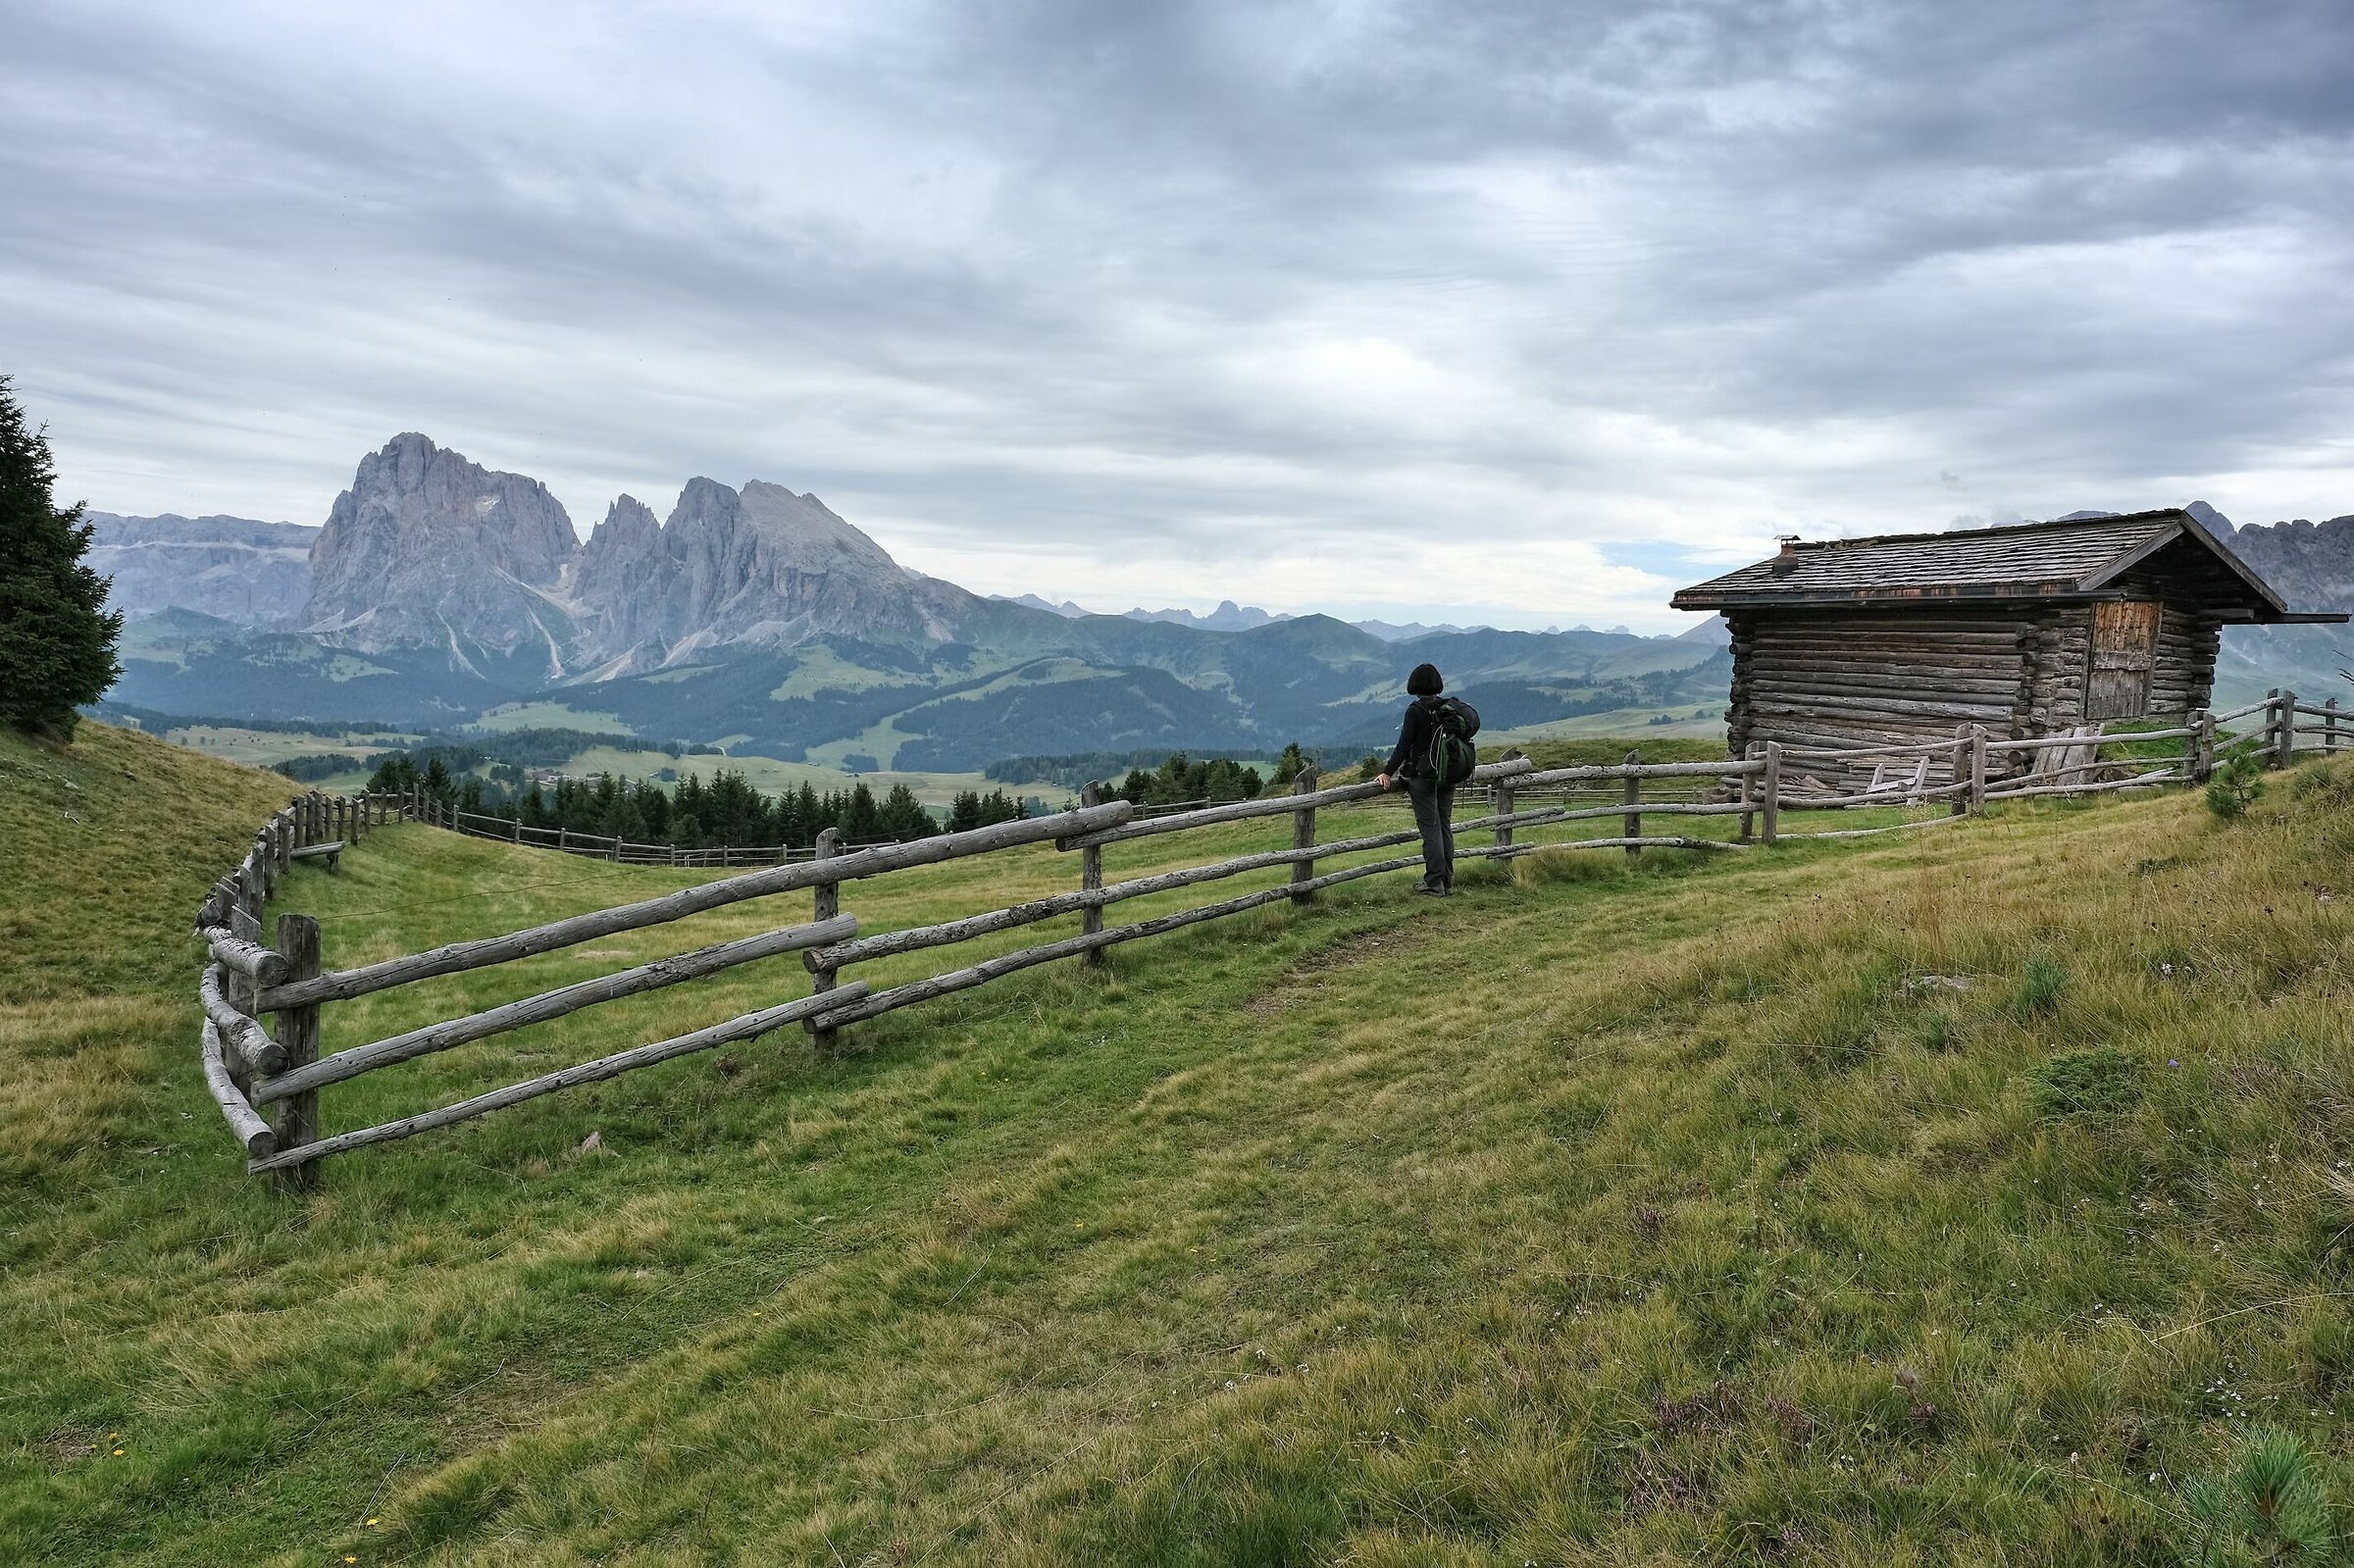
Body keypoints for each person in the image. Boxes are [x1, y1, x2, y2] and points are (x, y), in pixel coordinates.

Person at [1375, 662, 1456, 895]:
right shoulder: (1447, 708)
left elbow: (1403, 745)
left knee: (1430, 828)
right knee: (1444, 826)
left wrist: (1387, 772)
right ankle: (1447, 881)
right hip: (1446, 775)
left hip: (1422, 776)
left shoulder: (1415, 710)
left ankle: (1434, 883)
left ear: (1414, 684)